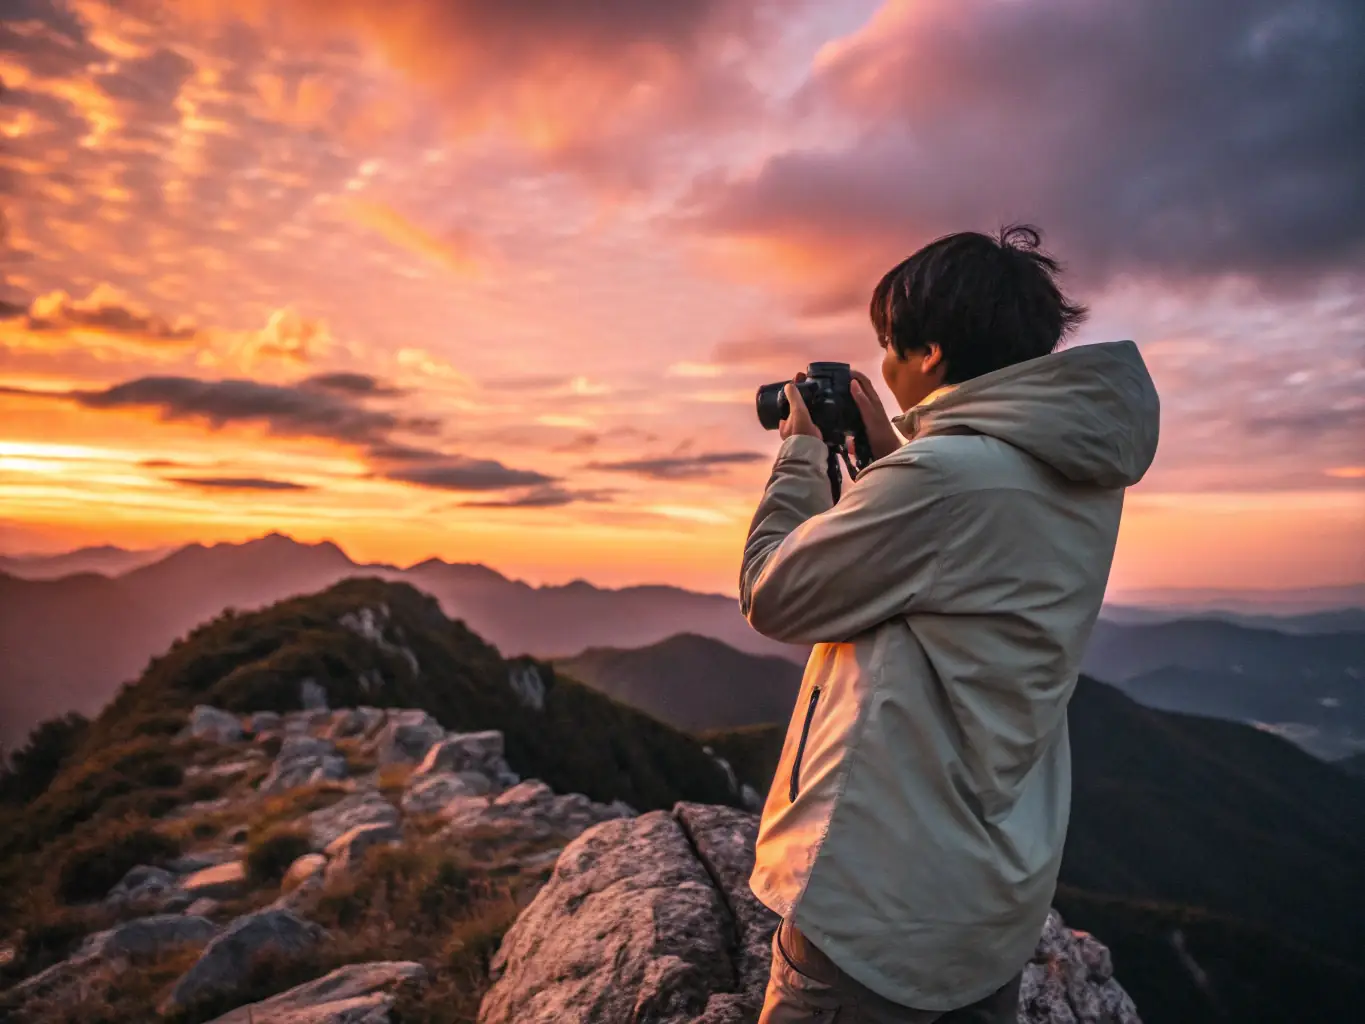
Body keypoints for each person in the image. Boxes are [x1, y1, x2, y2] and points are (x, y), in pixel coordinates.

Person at [740, 224, 1160, 1023]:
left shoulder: (940, 477)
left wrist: (800, 453)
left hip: (878, 909)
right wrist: (886, 455)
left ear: (929, 354)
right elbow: (952, 568)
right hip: (984, 902)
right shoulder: (1074, 472)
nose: (884, 367)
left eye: (887, 346)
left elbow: (774, 593)